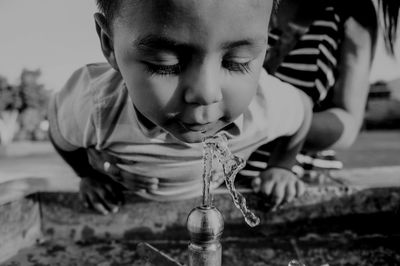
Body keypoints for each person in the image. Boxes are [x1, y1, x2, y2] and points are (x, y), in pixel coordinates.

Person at [48, 0, 313, 215]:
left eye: (237, 62)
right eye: (166, 64)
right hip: (126, 200)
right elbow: (59, 131)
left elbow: (303, 111)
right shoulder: (96, 106)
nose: (206, 94)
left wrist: (281, 167)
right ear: (109, 44)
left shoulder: (264, 104)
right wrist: (88, 175)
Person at [243, 0, 400, 199]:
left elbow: (349, 125)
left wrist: (271, 121)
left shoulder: (353, 13)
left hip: (296, 180)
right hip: (219, 171)